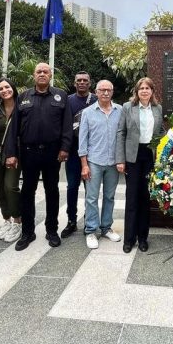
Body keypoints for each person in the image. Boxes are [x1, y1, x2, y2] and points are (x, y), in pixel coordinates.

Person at [5, 63, 73, 251]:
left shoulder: (61, 96)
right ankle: (28, 232)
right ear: (33, 75)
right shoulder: (23, 97)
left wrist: (65, 148)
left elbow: (67, 125)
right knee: (28, 191)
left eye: (45, 72)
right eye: (39, 72)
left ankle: (52, 230)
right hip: (29, 152)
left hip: (53, 152)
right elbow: (14, 128)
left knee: (52, 191)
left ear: (50, 75)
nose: (42, 74)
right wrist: (11, 153)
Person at [116, 77, 163, 253]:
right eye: (141, 88)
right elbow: (121, 133)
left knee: (145, 198)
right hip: (132, 157)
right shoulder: (128, 108)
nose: (144, 91)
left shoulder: (158, 109)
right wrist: (120, 159)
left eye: (147, 88)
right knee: (132, 198)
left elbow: (160, 132)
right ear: (137, 91)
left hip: (149, 156)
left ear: (152, 91)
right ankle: (129, 239)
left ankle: (143, 238)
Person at [78, 80, 122, 249]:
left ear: (112, 92)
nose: (105, 93)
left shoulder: (120, 111)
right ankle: (90, 230)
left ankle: (106, 228)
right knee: (91, 198)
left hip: (113, 162)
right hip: (94, 161)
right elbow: (83, 140)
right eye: (102, 90)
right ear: (96, 92)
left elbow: (122, 136)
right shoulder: (88, 113)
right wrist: (84, 164)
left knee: (110, 197)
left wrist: (122, 160)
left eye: (108, 90)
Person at [62, 71, 98, 239]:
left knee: (90, 190)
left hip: (93, 153)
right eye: (79, 80)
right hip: (73, 152)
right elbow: (64, 127)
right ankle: (71, 221)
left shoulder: (97, 100)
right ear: (74, 83)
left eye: (85, 80)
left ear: (90, 83)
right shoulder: (68, 101)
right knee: (71, 187)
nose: (82, 82)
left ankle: (89, 221)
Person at [0, 77, 22, 243]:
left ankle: (17, 221)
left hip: (15, 152)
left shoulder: (22, 105)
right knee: (0, 188)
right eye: (1, 89)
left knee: (10, 186)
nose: (4, 91)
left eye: (7, 87)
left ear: (13, 87)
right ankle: (7, 220)